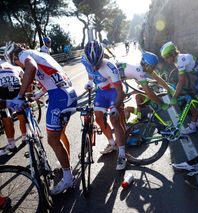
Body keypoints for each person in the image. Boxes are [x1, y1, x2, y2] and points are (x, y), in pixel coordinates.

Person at [4, 41, 78, 195]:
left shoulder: (24, 55)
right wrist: (39, 93)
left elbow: (31, 68)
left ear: (14, 57)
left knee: (52, 139)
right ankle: (66, 166)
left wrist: (19, 96)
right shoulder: (40, 54)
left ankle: (68, 178)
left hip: (59, 96)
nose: (20, 65)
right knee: (59, 134)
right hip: (68, 93)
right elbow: (51, 77)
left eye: (17, 63)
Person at [81, 40, 126, 170]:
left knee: (114, 119)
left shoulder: (110, 67)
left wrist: (116, 108)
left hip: (113, 92)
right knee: (98, 118)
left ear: (102, 57)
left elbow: (120, 91)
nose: (94, 67)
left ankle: (122, 155)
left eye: (97, 64)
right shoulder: (84, 61)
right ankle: (112, 143)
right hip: (101, 92)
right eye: (91, 64)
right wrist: (90, 82)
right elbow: (90, 73)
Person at [160, 41, 198, 134]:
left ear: (172, 54)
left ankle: (193, 125)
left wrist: (174, 98)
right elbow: (183, 78)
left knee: (192, 101)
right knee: (191, 100)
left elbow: (181, 81)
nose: (166, 60)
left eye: (166, 57)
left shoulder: (181, 59)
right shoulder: (176, 60)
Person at [118, 51, 171, 124]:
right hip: (110, 80)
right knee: (119, 107)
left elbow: (158, 78)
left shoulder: (142, 66)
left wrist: (169, 89)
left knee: (121, 104)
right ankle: (122, 128)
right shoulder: (139, 71)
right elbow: (148, 92)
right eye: (153, 67)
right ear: (147, 65)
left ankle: (123, 124)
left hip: (115, 77)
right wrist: (162, 104)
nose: (154, 69)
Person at [0, 59, 27, 156]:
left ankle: (12, 145)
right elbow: (25, 79)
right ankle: (25, 137)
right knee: (21, 116)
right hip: (17, 92)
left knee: (7, 120)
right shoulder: (15, 66)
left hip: (4, 93)